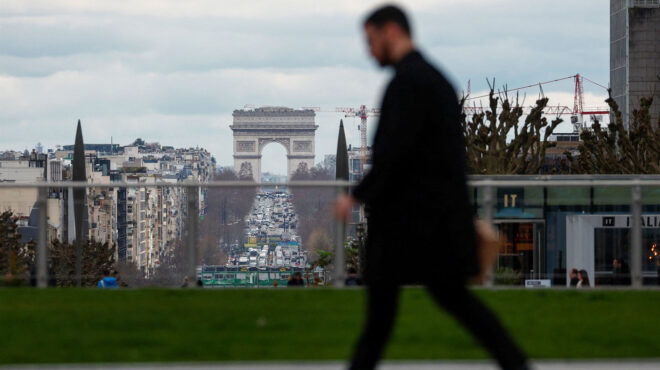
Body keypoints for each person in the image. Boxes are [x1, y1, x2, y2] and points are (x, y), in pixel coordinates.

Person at [334, 5, 529, 370]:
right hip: (432, 221)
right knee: (447, 305)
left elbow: (393, 154)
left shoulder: (408, 83)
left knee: (383, 320)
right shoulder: (432, 79)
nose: (369, 51)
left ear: (390, 31)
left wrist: (356, 196)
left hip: (413, 226)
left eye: (371, 40)